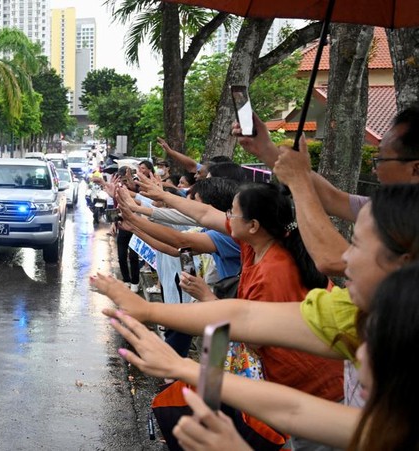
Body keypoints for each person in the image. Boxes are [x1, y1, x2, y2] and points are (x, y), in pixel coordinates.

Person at [94, 183, 419, 409]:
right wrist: (149, 205)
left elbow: (244, 323)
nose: (226, 218)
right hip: (287, 390)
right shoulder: (253, 244)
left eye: (233, 213)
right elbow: (204, 214)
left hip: (307, 391)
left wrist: (170, 319)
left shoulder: (275, 272)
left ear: (254, 225)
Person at [111, 262, 419, 450]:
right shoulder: (386, 426)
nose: (355, 354)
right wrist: (182, 366)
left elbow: (250, 327)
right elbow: (293, 409)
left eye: (376, 341)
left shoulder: (274, 271)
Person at [239, 105, 419, 276]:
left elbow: (333, 260)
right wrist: (265, 149)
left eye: (380, 160)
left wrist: (298, 181)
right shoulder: (391, 208)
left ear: (415, 169)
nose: (374, 169)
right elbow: (332, 199)